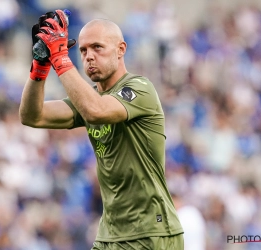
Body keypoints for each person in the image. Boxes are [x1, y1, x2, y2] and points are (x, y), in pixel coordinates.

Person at [19, 9, 184, 250]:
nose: (89, 56)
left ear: (121, 50)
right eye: (83, 50)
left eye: (98, 47)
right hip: (110, 234)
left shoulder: (140, 88)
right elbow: (32, 115)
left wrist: (60, 57)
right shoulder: (90, 97)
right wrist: (40, 66)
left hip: (152, 232)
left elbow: (96, 110)